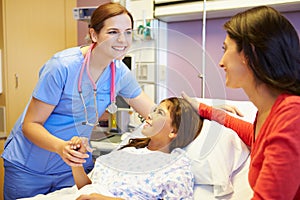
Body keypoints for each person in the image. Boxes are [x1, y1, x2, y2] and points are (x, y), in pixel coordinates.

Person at [1, 2, 155, 199]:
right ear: (93, 35)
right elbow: (30, 125)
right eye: (113, 32)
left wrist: (199, 113)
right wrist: (60, 147)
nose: (122, 40)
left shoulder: (120, 73)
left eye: (128, 32)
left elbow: (155, 112)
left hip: (73, 168)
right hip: (30, 168)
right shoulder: (62, 67)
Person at [183, 5, 300, 200]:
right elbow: (248, 132)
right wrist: (202, 109)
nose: (221, 62)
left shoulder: (292, 115)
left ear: (249, 52)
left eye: (226, 49)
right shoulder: (267, 113)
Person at [21, 97, 204, 200]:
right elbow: (88, 188)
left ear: (174, 131)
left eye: (159, 113)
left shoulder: (176, 167)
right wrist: (76, 161)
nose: (149, 115)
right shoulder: (129, 151)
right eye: (154, 110)